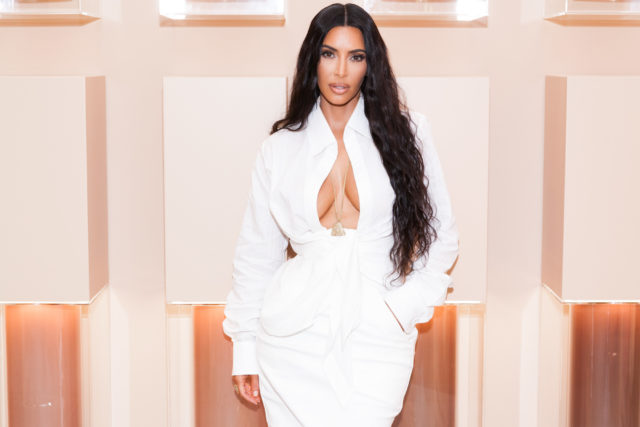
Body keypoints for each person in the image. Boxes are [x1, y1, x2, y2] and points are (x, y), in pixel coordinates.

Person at [222, 3, 458, 425]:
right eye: (329, 54)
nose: (341, 70)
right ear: (313, 59)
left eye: (356, 56)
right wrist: (245, 346)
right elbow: (256, 255)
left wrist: (402, 309)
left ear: (371, 65)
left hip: (377, 336)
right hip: (290, 337)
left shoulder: (409, 134)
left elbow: (442, 238)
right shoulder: (280, 148)